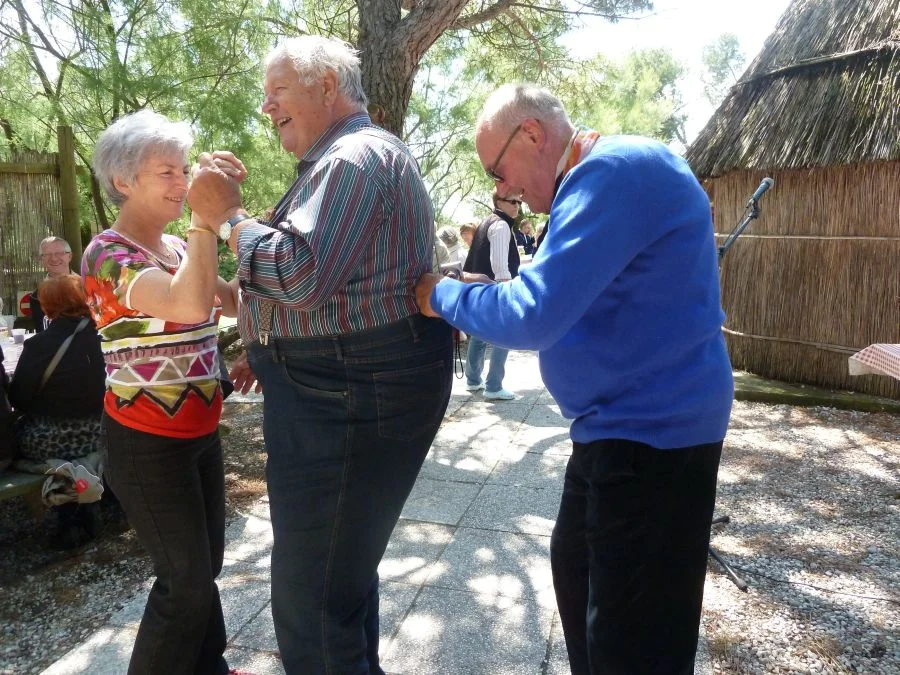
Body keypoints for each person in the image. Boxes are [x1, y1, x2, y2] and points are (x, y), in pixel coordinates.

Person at [415, 84, 733, 674]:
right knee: (581, 577)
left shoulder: (611, 173)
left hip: (651, 438)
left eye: (498, 169)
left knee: (633, 641)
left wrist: (443, 296)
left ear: (531, 133)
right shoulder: (601, 178)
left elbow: (535, 313)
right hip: (617, 428)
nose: (501, 188)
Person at [186, 36, 452, 675]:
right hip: (341, 391)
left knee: (312, 600)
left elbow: (301, 277)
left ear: (327, 84)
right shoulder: (342, 160)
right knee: (339, 578)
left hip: (347, 394)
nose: (264, 107)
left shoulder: (355, 157)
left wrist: (229, 218)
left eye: (276, 91)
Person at [83, 110, 244, 675]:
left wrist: (232, 216)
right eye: (166, 173)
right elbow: (188, 304)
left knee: (206, 568)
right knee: (183, 584)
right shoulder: (106, 254)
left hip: (199, 434)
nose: (182, 183)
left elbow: (235, 299)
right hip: (146, 444)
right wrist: (207, 219)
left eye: (185, 170)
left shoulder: (178, 246)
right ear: (124, 181)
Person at [8, 274, 106, 546]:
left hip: (50, 440)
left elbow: (20, 399)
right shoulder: (106, 335)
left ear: (48, 306)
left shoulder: (39, 345)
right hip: (104, 429)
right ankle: (91, 500)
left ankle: (68, 516)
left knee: (20, 435)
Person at [460, 193, 521, 401]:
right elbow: (500, 267)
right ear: (498, 203)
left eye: (519, 201)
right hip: (495, 288)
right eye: (513, 201)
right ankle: (493, 385)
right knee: (504, 334)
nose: (517, 205)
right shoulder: (501, 225)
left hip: (479, 289)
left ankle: (473, 379)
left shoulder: (487, 222)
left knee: (478, 334)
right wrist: (506, 293)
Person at [30, 236, 74, 332]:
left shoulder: (87, 286)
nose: (53, 258)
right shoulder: (37, 296)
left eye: (59, 253)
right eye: (47, 255)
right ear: (41, 260)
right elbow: (42, 332)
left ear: (69, 256)